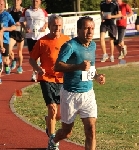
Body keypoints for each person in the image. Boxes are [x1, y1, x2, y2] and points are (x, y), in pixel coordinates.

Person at [46, 16, 105, 150]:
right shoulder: (70, 46)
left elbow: (91, 67)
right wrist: (78, 66)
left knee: (91, 130)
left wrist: (97, 77)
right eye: (86, 28)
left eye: (92, 28)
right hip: (70, 94)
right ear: (78, 30)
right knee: (67, 132)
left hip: (88, 94)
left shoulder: (93, 45)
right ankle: (53, 139)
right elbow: (57, 66)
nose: (90, 32)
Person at [29, 14, 70, 147]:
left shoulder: (67, 40)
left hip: (63, 79)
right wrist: (38, 68)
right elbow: (31, 59)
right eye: (54, 26)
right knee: (52, 108)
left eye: (59, 26)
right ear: (49, 26)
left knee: (59, 115)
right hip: (47, 78)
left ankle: (49, 121)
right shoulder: (42, 42)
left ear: (61, 26)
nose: (56, 28)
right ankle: (52, 142)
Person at [19, 0, 48, 81]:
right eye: (34, 1)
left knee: (41, 56)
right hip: (30, 36)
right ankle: (35, 73)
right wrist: (25, 28)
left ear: (40, 2)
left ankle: (39, 73)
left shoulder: (43, 11)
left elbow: (47, 22)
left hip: (40, 36)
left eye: (37, 1)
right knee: (33, 56)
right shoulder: (26, 11)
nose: (35, 3)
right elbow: (21, 21)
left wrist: (44, 27)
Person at [8, 0, 25, 74]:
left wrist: (21, 23)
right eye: (14, 0)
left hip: (20, 33)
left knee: (19, 52)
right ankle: (14, 59)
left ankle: (20, 66)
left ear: (20, 1)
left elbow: (26, 21)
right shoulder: (9, 10)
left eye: (18, 0)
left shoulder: (23, 10)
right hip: (12, 33)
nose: (16, 1)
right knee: (8, 48)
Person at [0, 0, 16, 74]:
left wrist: (5, 29)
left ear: (4, 5)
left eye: (1, 4)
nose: (0, 5)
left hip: (5, 40)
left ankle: (7, 65)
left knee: (5, 60)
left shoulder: (7, 15)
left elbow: (14, 27)